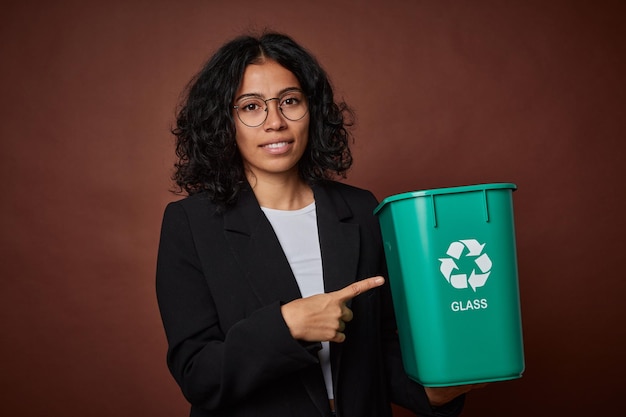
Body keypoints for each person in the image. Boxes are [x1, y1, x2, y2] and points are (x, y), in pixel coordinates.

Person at [156, 32, 482, 417]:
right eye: (251, 107)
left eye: (290, 101)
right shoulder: (191, 224)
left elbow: (382, 346)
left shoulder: (361, 209)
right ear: (224, 121)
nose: (275, 122)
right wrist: (286, 325)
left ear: (313, 109)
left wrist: (435, 393)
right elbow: (197, 375)